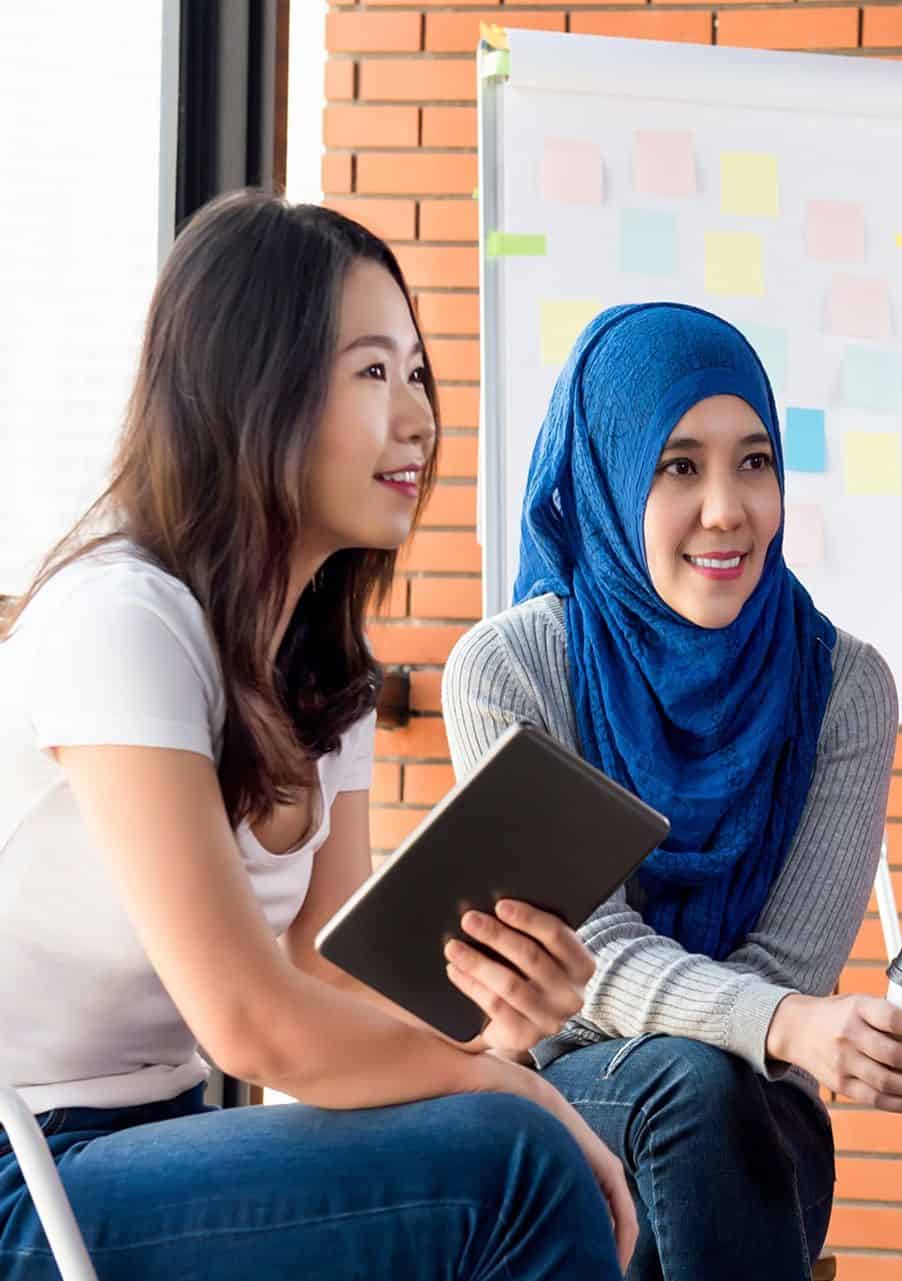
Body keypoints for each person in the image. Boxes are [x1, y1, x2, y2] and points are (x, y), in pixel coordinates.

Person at [0, 191, 634, 1280]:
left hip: (155, 1135)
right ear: (257, 390)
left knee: (517, 1135)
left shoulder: (317, 670)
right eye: (373, 371)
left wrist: (495, 1031)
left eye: (419, 372)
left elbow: (319, 971)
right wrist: (501, 1087)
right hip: (24, 1174)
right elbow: (250, 1020)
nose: (420, 417)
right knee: (516, 1157)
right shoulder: (121, 620)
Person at [441, 302, 902, 1281]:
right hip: (558, 1082)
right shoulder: (508, 669)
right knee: (694, 1089)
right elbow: (580, 954)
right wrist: (781, 1025)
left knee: (718, 1096)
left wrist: (781, 1024)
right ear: (607, 473)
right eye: (679, 466)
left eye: (754, 461)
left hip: (756, 1110)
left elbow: (788, 964)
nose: (727, 508)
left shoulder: (844, 688)